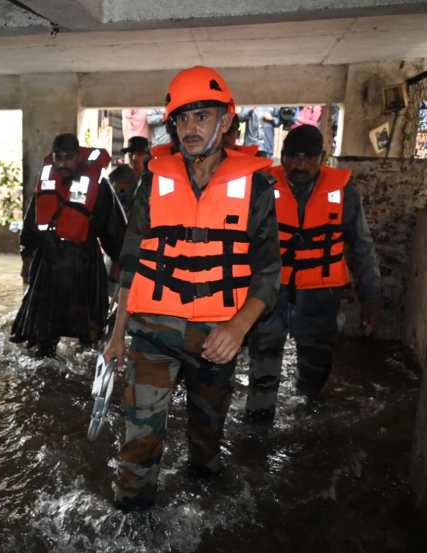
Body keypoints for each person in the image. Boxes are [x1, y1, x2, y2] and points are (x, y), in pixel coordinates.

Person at [104, 66, 281, 511]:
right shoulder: (154, 179)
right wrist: (116, 335)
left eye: (201, 116)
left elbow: (268, 273)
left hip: (216, 337)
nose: (189, 128)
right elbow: (131, 264)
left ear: (225, 121)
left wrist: (238, 329)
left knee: (206, 442)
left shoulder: (256, 186)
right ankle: (133, 516)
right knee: (138, 440)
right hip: (152, 331)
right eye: (181, 119)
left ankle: (202, 510)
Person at [245, 125, 381, 423]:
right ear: (283, 156)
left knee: (316, 362)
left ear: (323, 157)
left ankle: (308, 416)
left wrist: (370, 298)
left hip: (321, 292)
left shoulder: (345, 193)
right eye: (293, 156)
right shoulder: (264, 186)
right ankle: (257, 421)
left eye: (309, 157)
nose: (300, 164)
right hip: (271, 290)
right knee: (264, 355)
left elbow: (362, 247)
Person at [10, 134, 126, 357]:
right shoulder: (46, 185)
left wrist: (119, 261)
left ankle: (87, 369)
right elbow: (31, 225)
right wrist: (26, 257)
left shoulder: (99, 187)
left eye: (68, 157)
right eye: (58, 158)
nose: (62, 163)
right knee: (42, 334)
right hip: (48, 263)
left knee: (89, 333)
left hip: (84, 263)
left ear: (79, 158)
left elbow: (113, 227)